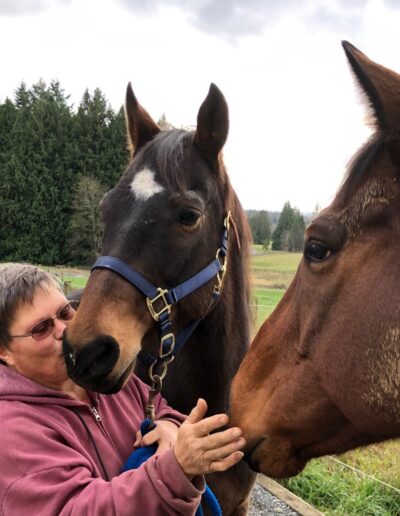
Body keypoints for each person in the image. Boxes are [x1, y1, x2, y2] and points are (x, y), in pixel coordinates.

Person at [0, 263, 245, 515]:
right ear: (4, 351)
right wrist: (175, 470)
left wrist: (169, 425)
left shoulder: (98, 375)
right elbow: (75, 508)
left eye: (65, 312)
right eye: (41, 329)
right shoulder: (11, 431)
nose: (64, 330)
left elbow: (157, 406)